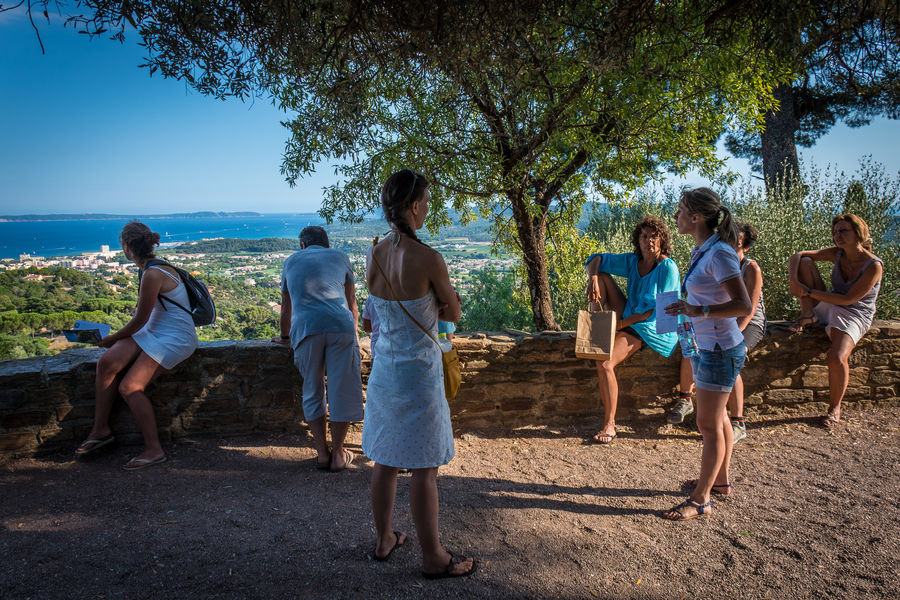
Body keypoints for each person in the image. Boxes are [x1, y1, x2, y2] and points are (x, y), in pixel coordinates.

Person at [362, 169, 476, 579]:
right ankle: (433, 557)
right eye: (426, 202)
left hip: (384, 372)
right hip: (419, 374)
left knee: (386, 461)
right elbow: (453, 313)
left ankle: (383, 539)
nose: (427, 209)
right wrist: (448, 302)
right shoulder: (429, 258)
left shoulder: (374, 254)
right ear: (413, 206)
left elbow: (373, 317)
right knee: (425, 468)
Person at [74, 221, 198, 470]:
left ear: (127, 247)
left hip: (174, 336)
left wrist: (111, 338)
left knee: (130, 387)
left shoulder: (153, 273)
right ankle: (100, 430)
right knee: (106, 362)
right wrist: (116, 342)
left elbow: (139, 319)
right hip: (153, 330)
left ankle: (154, 449)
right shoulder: (147, 269)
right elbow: (143, 318)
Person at [663, 187, 752, 520]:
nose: (677, 216)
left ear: (697, 217)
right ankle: (721, 482)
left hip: (720, 348)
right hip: (705, 345)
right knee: (721, 419)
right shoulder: (704, 249)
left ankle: (701, 500)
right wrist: (688, 313)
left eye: (681, 210)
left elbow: (743, 304)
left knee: (708, 423)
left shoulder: (720, 254)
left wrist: (698, 311)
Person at [584, 216, 680, 444]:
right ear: (638, 240)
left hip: (653, 328)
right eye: (644, 236)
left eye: (654, 236)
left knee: (604, 362)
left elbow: (652, 313)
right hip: (631, 316)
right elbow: (594, 258)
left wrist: (616, 327)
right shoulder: (633, 261)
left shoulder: (667, 267)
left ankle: (610, 424)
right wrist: (594, 279)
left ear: (662, 239)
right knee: (602, 275)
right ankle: (594, 331)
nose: (649, 241)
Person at [274, 226, 363, 472]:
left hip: (307, 329)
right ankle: (338, 453)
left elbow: (285, 306)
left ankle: (322, 453)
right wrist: (353, 335)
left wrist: (284, 336)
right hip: (340, 326)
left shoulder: (291, 262)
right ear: (326, 243)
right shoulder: (340, 257)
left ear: (303, 245)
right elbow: (352, 303)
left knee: (312, 389)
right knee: (341, 390)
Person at [670, 222, 767, 443]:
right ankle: (686, 398)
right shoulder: (715, 258)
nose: (731, 242)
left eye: (737, 240)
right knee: (690, 347)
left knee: (734, 355)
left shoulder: (750, 268)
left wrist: (736, 335)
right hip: (721, 318)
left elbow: (748, 310)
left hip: (748, 323)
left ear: (745, 246)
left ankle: (738, 421)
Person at [787, 214, 883, 426]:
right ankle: (808, 314)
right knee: (805, 262)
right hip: (831, 304)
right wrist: (795, 281)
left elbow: (849, 299)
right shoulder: (837, 254)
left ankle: (835, 407)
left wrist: (809, 291)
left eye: (843, 231)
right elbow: (797, 255)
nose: (837, 235)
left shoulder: (873, 266)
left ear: (858, 233)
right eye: (835, 232)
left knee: (837, 357)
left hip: (855, 313)